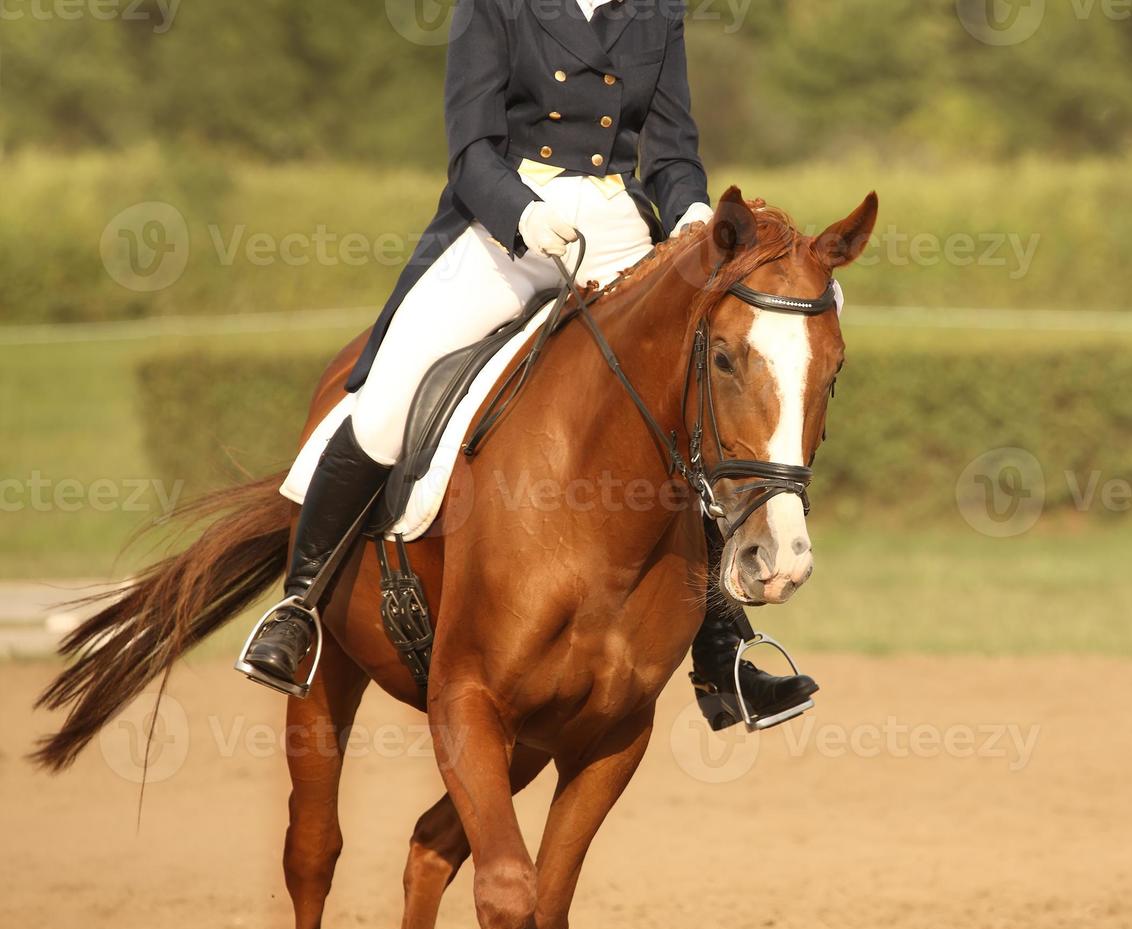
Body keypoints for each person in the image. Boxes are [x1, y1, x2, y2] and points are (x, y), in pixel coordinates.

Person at [240, 0, 820, 729]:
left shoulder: (654, 12)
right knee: (388, 396)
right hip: (503, 227)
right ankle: (298, 608)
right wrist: (523, 213)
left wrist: (693, 216)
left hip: (620, 231)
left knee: (691, 408)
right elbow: (470, 150)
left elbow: (671, 151)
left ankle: (720, 649)